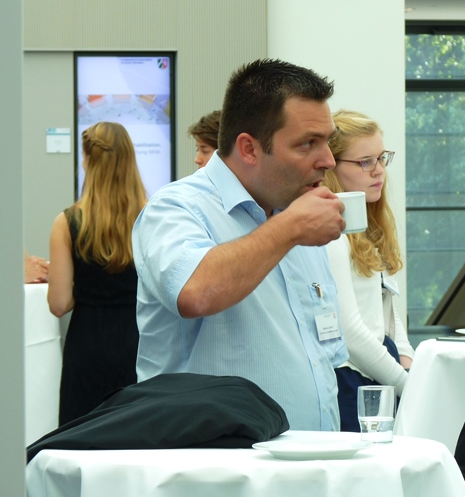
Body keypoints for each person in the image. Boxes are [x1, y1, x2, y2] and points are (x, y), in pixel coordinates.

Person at [133, 58, 349, 431]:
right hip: (216, 472)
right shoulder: (175, 208)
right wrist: (289, 228)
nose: (328, 160)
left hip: (307, 466)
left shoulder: (294, 213)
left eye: (327, 141)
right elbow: (195, 291)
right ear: (248, 149)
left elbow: (322, 355)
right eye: (307, 144)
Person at [47, 122, 147, 425]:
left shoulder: (67, 222)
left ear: (87, 161)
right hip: (140, 341)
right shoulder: (152, 216)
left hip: (87, 346)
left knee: (83, 436)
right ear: (130, 159)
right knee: (136, 434)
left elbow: (58, 303)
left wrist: (86, 285)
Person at [322, 110, 414, 432]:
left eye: (381, 159)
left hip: (378, 369)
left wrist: (407, 358)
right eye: (365, 162)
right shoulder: (331, 236)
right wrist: (408, 385)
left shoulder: (368, 228)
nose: (379, 172)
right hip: (353, 375)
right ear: (332, 166)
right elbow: (350, 332)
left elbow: (385, 307)